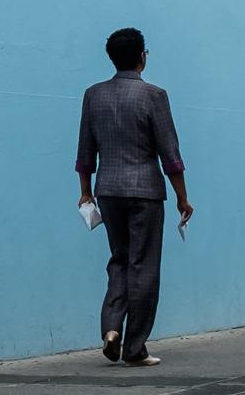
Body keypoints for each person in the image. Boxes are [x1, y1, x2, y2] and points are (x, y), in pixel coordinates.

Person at [76, 27, 194, 367]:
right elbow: (170, 154)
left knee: (120, 260)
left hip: (108, 190)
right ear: (142, 57)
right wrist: (182, 198)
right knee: (144, 267)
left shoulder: (92, 95)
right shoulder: (154, 96)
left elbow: (85, 152)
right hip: (145, 192)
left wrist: (86, 193)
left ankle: (111, 328)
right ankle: (135, 348)